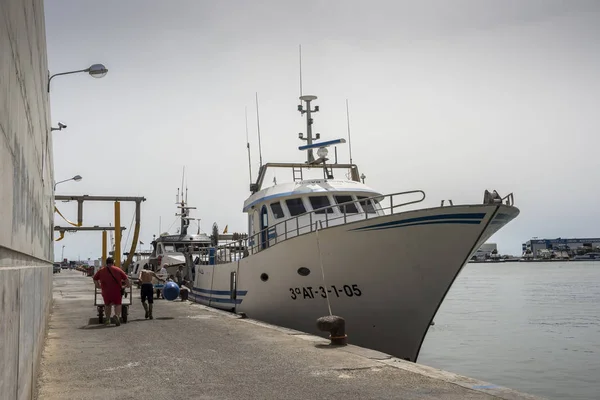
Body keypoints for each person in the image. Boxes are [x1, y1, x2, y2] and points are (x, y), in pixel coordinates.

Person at [93, 257, 129, 326]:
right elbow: (126, 279)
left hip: (106, 291)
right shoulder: (118, 270)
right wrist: (127, 285)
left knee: (107, 305)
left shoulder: (101, 270)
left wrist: (98, 285)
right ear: (113, 263)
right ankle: (117, 316)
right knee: (118, 304)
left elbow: (95, 278)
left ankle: (107, 319)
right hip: (117, 291)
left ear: (106, 263)